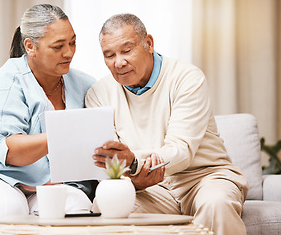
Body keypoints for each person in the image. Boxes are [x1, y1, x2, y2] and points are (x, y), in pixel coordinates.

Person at [85, 13, 248, 235]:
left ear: (148, 44)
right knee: (107, 208)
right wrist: (133, 175)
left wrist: (133, 162)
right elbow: (109, 161)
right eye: (109, 55)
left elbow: (181, 150)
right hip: (149, 189)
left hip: (203, 177)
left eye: (126, 50)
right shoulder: (98, 93)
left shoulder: (187, 78)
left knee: (216, 204)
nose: (119, 62)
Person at [0, 4, 96, 223]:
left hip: (48, 185)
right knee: (8, 210)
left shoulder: (86, 85)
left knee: (75, 208)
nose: (69, 52)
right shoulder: (5, 84)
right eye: (58, 46)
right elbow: (12, 151)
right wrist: (64, 135)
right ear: (30, 46)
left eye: (72, 42)